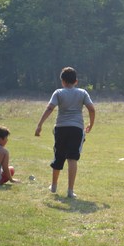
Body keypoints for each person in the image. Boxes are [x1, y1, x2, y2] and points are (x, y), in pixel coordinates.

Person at [35, 67, 95, 198]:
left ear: (62, 81)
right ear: (76, 81)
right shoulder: (83, 93)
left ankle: (54, 186)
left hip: (61, 128)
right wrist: (91, 124)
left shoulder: (58, 92)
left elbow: (50, 108)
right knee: (72, 158)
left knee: (59, 155)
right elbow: (91, 109)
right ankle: (70, 190)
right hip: (77, 128)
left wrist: (40, 125)